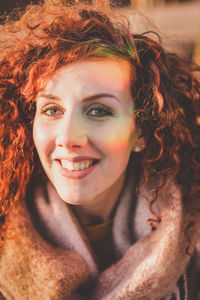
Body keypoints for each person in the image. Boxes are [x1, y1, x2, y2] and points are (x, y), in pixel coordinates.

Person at [0, 1, 200, 299]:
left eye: (98, 111)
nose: (67, 138)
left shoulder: (193, 241)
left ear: (140, 132)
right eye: (52, 110)